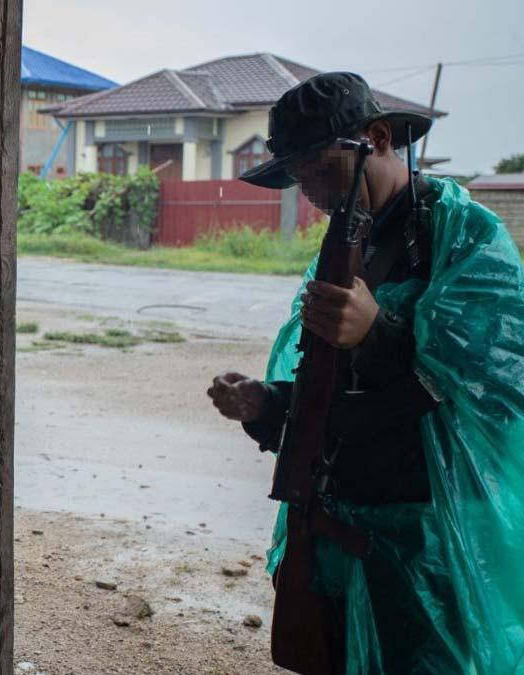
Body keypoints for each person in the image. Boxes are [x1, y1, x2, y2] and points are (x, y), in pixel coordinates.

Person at [208, 72, 524, 672]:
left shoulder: (465, 239)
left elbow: (494, 392)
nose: (314, 193)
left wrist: (377, 331)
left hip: (428, 547)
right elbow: (329, 388)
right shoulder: (342, 244)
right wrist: (268, 404)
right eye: (301, 180)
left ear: (376, 139)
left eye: (322, 169)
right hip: (335, 535)